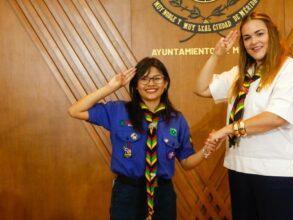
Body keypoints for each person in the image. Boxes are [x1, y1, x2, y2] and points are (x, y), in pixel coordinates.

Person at [68, 57, 215, 220]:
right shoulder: (118, 111)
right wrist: (111, 87)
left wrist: (206, 151)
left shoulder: (176, 119)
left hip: (162, 195)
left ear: (165, 83)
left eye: (157, 78)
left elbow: (187, 162)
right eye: (144, 79)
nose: (150, 83)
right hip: (127, 193)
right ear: (136, 85)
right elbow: (75, 111)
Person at [195, 12, 293, 220]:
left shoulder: (289, 68)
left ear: (272, 34)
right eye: (247, 38)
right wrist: (217, 54)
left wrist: (228, 129)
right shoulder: (241, 72)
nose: (254, 41)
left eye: (259, 34)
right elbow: (201, 89)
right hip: (239, 167)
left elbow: (275, 117)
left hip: (277, 171)